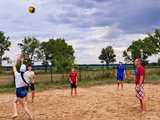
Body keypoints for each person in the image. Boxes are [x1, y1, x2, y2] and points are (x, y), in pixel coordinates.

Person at [12, 55, 33, 119]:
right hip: (24, 91)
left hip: (19, 91)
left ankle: (30, 116)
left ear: (20, 69)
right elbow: (29, 83)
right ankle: (15, 113)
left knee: (23, 106)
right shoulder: (26, 75)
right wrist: (22, 61)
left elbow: (13, 65)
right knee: (15, 101)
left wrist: (17, 58)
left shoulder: (17, 74)